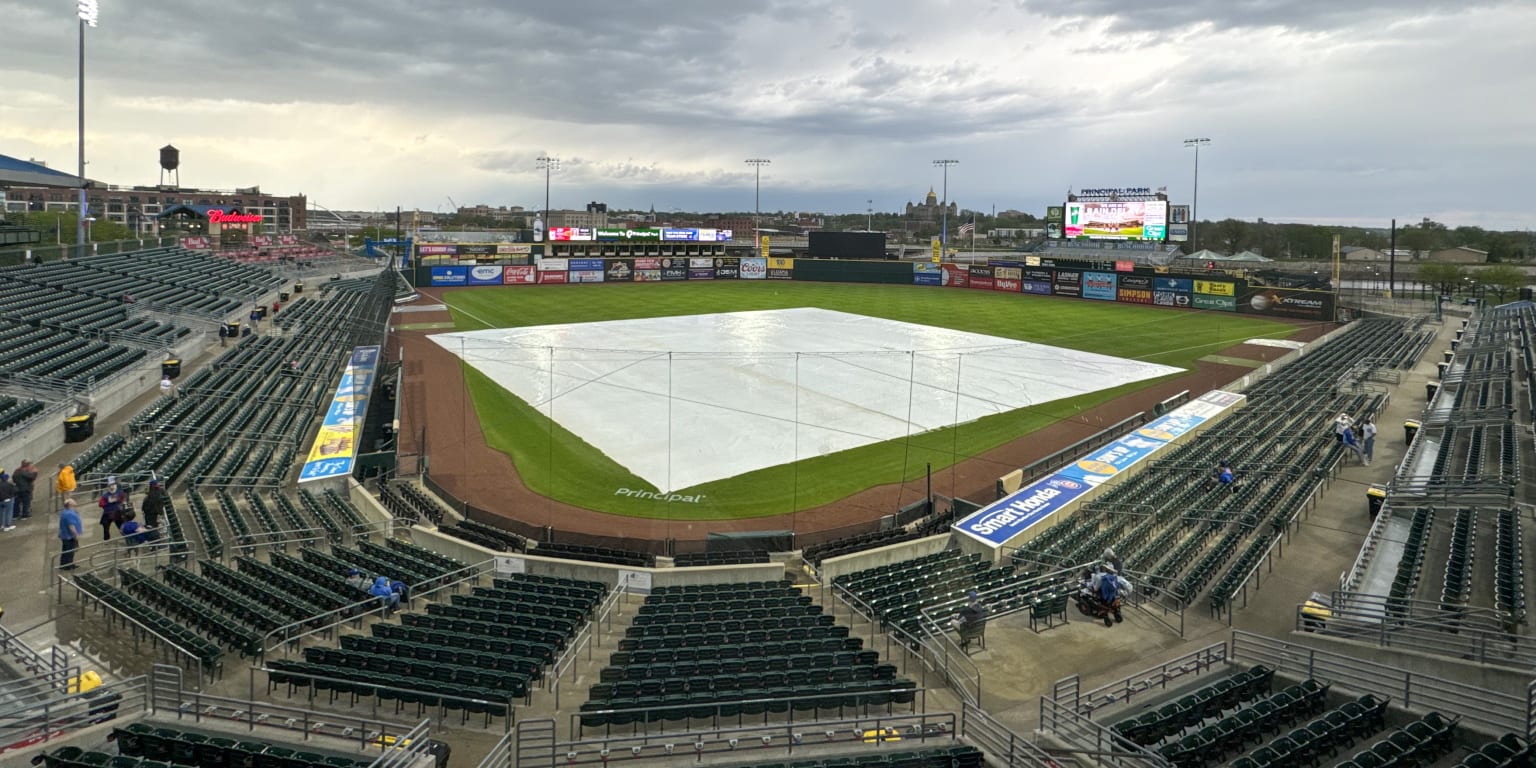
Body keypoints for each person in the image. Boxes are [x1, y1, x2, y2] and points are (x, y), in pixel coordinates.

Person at [98, 477, 128, 541]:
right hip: (107, 513)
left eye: (113, 485)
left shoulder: (120, 492)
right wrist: (108, 502)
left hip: (117, 513)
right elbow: (100, 504)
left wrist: (119, 500)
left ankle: (127, 538)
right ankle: (107, 539)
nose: (112, 487)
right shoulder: (105, 495)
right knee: (105, 527)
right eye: (110, 485)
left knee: (121, 526)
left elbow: (124, 500)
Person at [59, 499, 83, 571]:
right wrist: (76, 536)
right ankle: (68, 566)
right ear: (70, 505)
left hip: (64, 535)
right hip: (69, 536)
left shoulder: (65, 512)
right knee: (70, 552)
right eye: (73, 502)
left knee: (65, 551)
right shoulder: (70, 514)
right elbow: (71, 527)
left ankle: (64, 564)